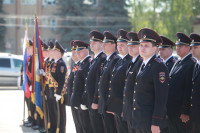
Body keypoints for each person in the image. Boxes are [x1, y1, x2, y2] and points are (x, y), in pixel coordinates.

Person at [132, 28, 169, 133]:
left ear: (155, 49)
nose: (142, 48)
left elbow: (161, 98)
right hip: (140, 120)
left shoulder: (159, 67)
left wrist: (156, 123)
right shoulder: (142, 64)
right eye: (141, 45)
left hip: (150, 122)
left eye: (146, 46)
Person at [167, 32, 196, 133]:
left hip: (180, 112)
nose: (177, 48)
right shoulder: (178, 62)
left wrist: (185, 111)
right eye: (177, 45)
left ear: (189, 48)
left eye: (181, 46)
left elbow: (189, 89)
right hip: (172, 110)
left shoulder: (191, 64)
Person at [106, 29, 132, 133]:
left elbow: (127, 87)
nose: (119, 47)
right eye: (118, 44)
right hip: (117, 106)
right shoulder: (121, 61)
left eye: (122, 44)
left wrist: (123, 108)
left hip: (123, 107)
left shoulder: (130, 62)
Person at [98, 31, 121, 133]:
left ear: (113, 45)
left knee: (112, 129)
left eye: (106, 44)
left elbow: (113, 84)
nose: (103, 46)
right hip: (104, 103)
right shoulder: (108, 60)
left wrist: (110, 103)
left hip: (110, 104)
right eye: (103, 43)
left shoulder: (115, 59)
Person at [84, 30, 106, 133]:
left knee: (98, 127)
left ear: (102, 45)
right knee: (93, 127)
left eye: (94, 42)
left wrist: (95, 100)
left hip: (95, 101)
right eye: (91, 42)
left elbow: (99, 82)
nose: (91, 44)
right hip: (90, 99)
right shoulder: (95, 59)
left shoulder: (102, 59)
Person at [122, 32, 143, 133]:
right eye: (129, 45)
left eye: (133, 46)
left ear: (140, 46)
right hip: (129, 109)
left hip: (135, 110)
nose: (130, 48)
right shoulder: (133, 62)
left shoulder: (140, 63)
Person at [70, 40, 93, 133]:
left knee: (86, 127)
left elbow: (87, 84)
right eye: (77, 52)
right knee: (80, 126)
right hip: (78, 101)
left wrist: (83, 101)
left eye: (80, 51)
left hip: (84, 102)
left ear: (86, 51)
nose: (77, 54)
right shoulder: (81, 63)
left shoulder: (88, 63)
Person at [49, 41, 67, 133]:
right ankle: (56, 130)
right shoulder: (54, 63)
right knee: (56, 112)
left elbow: (61, 80)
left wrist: (59, 93)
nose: (53, 53)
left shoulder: (61, 64)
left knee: (61, 113)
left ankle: (61, 131)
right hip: (54, 91)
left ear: (60, 53)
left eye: (55, 51)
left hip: (59, 93)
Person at [65, 40, 83, 133]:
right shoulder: (75, 65)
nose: (73, 55)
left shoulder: (82, 65)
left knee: (81, 124)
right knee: (77, 123)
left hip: (79, 100)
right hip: (73, 99)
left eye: (75, 52)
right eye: (72, 52)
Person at [189, 33, 200, 133]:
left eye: (195, 47)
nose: (192, 50)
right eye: (191, 47)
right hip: (194, 114)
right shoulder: (195, 65)